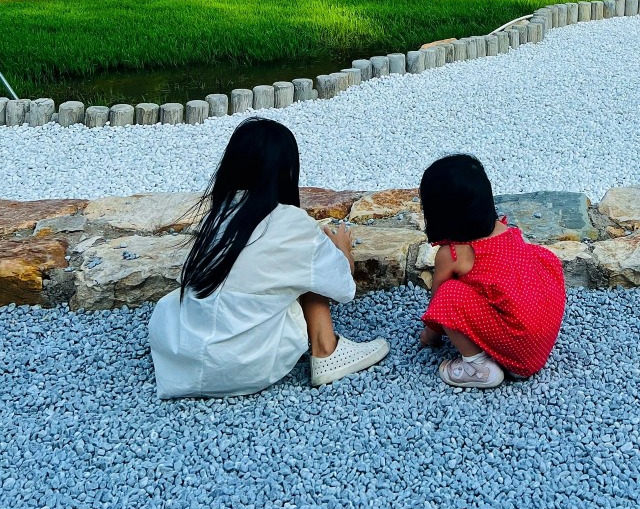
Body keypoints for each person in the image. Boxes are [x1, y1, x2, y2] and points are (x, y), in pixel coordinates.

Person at [148, 118, 389, 398]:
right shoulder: (293, 224)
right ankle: (327, 350)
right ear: (285, 171)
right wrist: (341, 247)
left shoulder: (217, 218)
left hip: (182, 361)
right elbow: (344, 286)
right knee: (311, 268)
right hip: (247, 367)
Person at [417, 154, 566, 389]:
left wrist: (430, 336)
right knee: (540, 259)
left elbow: (438, 305)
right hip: (540, 345)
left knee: (449, 295)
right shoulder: (504, 230)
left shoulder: (453, 253)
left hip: (519, 353)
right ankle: (516, 347)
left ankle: (479, 367)